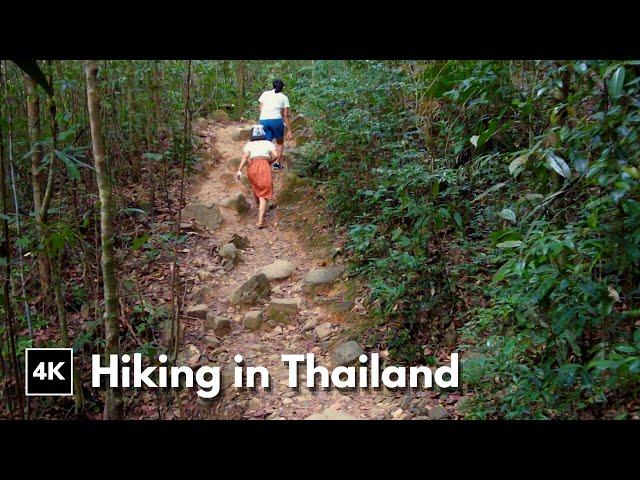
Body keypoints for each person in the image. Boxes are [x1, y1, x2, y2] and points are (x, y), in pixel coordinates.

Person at [235, 125, 277, 228]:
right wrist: (269, 162)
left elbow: (245, 157)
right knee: (263, 193)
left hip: (252, 167)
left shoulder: (249, 144)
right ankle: (260, 221)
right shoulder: (268, 143)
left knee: (256, 187)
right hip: (264, 166)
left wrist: (239, 170)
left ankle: (259, 207)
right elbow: (275, 155)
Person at [258, 79, 293, 170]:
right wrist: (289, 130)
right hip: (276, 121)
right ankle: (276, 163)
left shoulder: (265, 94)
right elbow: (285, 115)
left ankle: (265, 164)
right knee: (280, 142)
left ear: (273, 86)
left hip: (264, 120)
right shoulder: (284, 97)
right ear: (282, 88)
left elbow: (261, 109)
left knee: (267, 143)